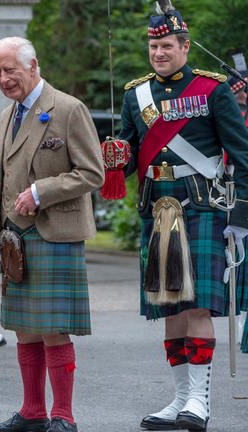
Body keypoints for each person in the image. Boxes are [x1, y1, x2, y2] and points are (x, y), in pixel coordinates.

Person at [112, 5, 248, 431]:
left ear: (184, 46)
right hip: (157, 207)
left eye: (166, 45)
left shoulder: (213, 90)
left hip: (202, 206)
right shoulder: (135, 95)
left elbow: (242, 156)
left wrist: (241, 214)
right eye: (153, 46)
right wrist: (119, 158)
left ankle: (200, 403)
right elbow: (131, 156)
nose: (159, 52)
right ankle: (178, 400)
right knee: (169, 305)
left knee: (197, 305)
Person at [0, 36, 103, 432]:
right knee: (25, 330)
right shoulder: (7, 116)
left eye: (11, 70)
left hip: (54, 232)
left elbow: (93, 173)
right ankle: (32, 412)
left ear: (34, 66)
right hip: (16, 240)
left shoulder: (68, 109)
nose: (4, 79)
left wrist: (42, 192)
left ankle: (64, 416)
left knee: (54, 330)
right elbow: (2, 187)